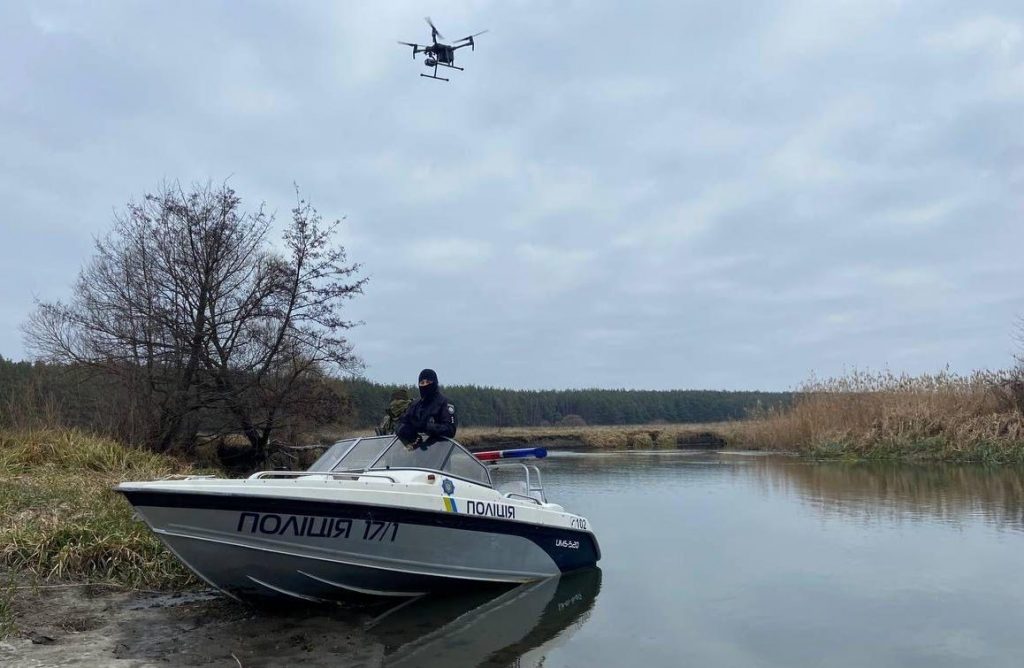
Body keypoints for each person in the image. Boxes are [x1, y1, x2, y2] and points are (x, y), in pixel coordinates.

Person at [396, 369, 457, 449]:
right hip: (417, 453)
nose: (425, 385)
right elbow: (402, 422)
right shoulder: (415, 404)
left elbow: (450, 430)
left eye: (428, 382)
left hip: (440, 454)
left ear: (435, 383)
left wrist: (426, 426)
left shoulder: (445, 403)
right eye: (422, 383)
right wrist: (409, 432)